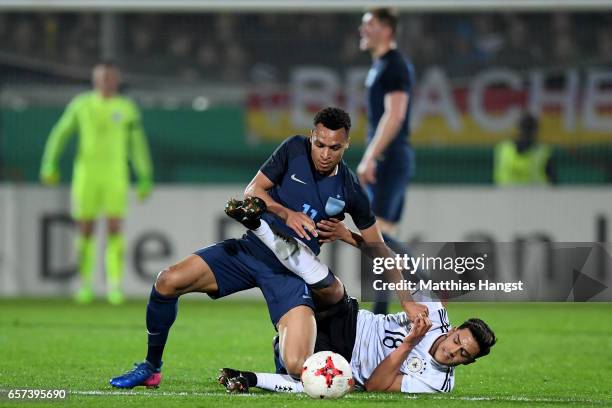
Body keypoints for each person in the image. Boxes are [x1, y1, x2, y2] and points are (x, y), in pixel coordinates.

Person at [109, 107, 427, 389]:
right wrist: (284, 212)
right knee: (167, 280)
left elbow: (379, 248)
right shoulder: (293, 149)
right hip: (252, 251)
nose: (325, 154)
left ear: (346, 146)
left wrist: (407, 301)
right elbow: (253, 191)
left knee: (295, 365)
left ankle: (287, 353)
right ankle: (151, 368)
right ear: (311, 137)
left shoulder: (349, 190)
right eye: (320, 144)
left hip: (291, 273)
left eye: (335, 147)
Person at [217, 210, 495, 394]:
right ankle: (260, 228)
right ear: (453, 330)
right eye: (457, 341)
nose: (452, 352)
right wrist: (346, 235)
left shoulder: (438, 382)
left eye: (463, 355)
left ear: (468, 363)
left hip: (347, 363)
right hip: (352, 321)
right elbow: (393, 262)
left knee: (319, 381)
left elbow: (375, 385)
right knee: (331, 287)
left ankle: (248, 378)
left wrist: (410, 341)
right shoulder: (432, 309)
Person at [40, 62, 153, 305]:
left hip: (115, 175)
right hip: (86, 175)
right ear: (94, 79)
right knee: (85, 228)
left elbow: (137, 143)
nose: (106, 82)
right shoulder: (81, 104)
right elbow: (61, 132)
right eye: (101, 77)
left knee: (114, 227)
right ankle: (85, 285)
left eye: (110, 77)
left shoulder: (126, 108)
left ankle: (115, 285)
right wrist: (49, 163)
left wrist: (144, 174)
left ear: (116, 80)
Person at [357, 8, 416, 314]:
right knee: (381, 240)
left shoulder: (394, 65)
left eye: (369, 24)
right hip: (389, 156)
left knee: (377, 238)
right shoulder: (381, 65)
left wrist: (370, 156)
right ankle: (380, 312)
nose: (362, 29)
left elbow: (395, 115)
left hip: (389, 157)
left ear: (387, 30)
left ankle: (430, 278)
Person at [493, 112, 553, 185]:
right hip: (505, 194)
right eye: (525, 128)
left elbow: (552, 182)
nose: (526, 133)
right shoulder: (503, 148)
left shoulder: (543, 152)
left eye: (529, 129)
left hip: (536, 195)